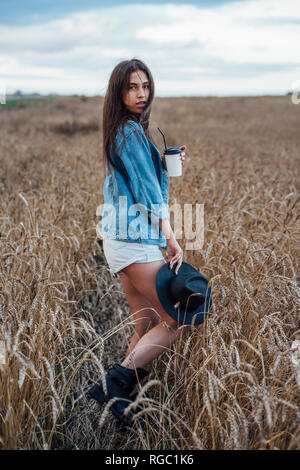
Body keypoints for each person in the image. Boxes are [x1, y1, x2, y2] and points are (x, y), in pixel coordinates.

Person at [88, 58, 190, 426]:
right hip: (135, 240)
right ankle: (115, 383)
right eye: (132, 87)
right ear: (119, 92)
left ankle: (122, 406)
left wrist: (162, 163)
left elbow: (141, 179)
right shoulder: (130, 133)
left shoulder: (123, 131)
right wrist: (172, 239)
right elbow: (148, 194)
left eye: (145, 85)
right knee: (182, 316)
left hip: (120, 238)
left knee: (146, 325)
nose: (141, 93)